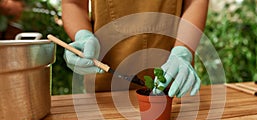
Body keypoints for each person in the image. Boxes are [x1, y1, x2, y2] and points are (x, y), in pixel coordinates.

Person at [62, 0, 208, 98]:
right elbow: (73, 3)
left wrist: (183, 51)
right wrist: (83, 36)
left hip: (175, 86)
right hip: (106, 91)